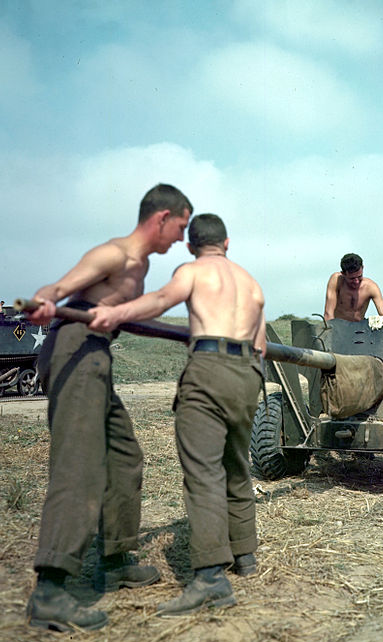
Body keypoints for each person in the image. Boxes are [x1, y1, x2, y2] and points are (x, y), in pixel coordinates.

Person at [25, 183, 193, 632]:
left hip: (97, 354)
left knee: (124, 458)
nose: (180, 238)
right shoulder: (115, 254)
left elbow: (127, 313)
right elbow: (59, 286)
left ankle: (115, 560)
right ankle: (51, 589)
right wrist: (46, 299)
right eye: (179, 226)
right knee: (79, 467)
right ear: (161, 217)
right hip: (76, 349)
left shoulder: (138, 268)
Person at [89, 213, 266, 616]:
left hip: (209, 369)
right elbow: (261, 346)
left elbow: (160, 301)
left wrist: (115, 313)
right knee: (237, 465)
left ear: (191, 245)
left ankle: (209, 578)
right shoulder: (251, 283)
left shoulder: (193, 270)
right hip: (248, 374)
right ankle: (245, 556)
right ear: (227, 242)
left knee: (203, 472)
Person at [324, 253, 383, 323]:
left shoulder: (371, 287)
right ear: (343, 274)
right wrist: (330, 331)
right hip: (338, 327)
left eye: (359, 277)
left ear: (363, 268)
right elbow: (328, 313)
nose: (356, 281)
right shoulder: (336, 280)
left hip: (359, 329)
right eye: (352, 278)